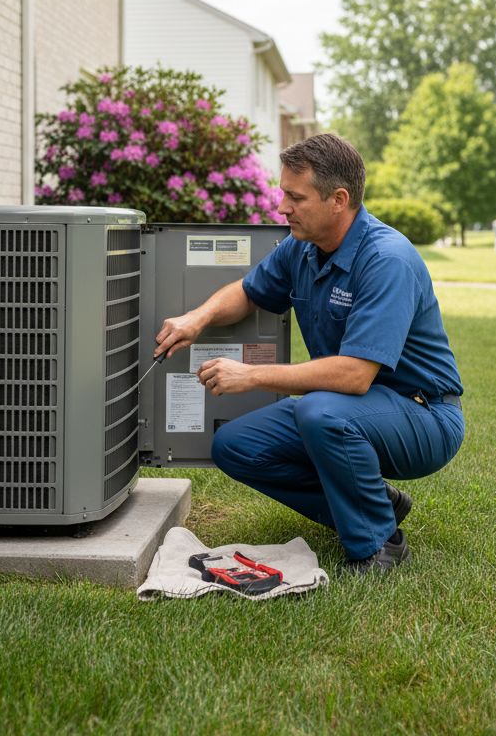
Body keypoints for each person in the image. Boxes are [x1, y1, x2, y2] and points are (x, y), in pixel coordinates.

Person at [153, 134, 464, 572]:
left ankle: (377, 548)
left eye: (295, 197)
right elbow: (249, 292)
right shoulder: (302, 248)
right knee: (235, 446)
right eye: (283, 193)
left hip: (423, 415)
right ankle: (378, 506)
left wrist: (253, 375)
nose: (282, 207)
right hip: (352, 407)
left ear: (338, 199)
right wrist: (198, 317)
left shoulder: (386, 259)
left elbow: (355, 375)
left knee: (320, 412)